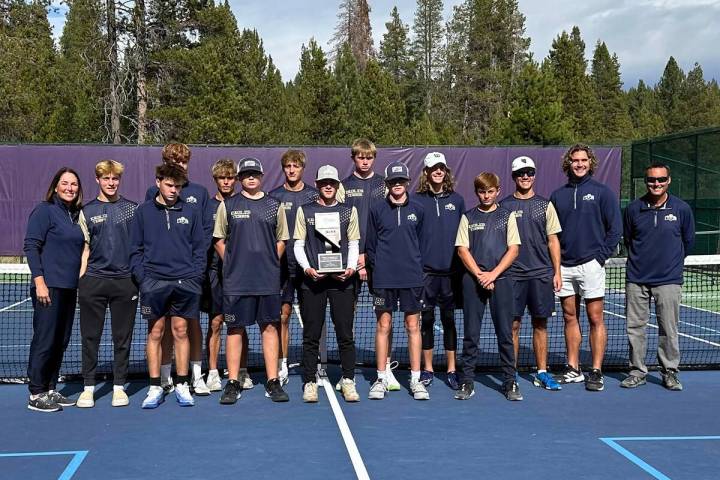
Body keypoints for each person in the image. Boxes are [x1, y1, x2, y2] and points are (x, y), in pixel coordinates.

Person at [213, 158, 290, 404]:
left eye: (254, 174)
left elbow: (282, 240)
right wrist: (234, 263)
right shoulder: (229, 205)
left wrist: (268, 261)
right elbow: (218, 239)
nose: (251, 178)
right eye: (246, 175)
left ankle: (272, 381)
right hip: (237, 281)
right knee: (235, 329)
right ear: (240, 178)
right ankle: (233, 381)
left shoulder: (274, 205)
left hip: (267, 280)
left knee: (269, 327)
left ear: (262, 175)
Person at [130, 163, 206, 408]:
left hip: (186, 282)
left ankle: (182, 384)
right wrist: (144, 280)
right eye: (169, 185)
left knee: (181, 331)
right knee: (155, 332)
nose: (174, 190)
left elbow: (199, 248)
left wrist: (194, 277)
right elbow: (135, 250)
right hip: (154, 283)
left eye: (178, 186)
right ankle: (155, 387)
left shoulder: (192, 212)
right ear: (158, 182)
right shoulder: (142, 212)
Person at [550, 144, 622, 391]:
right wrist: (557, 266)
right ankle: (573, 368)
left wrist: (599, 258)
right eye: (574, 160)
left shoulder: (603, 193)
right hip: (565, 268)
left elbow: (615, 230)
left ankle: (596, 370)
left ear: (590, 162)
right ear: (567, 163)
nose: (579, 164)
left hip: (591, 266)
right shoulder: (557, 195)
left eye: (583, 160)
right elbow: (553, 235)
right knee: (570, 317)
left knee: (595, 318)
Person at [145, 143, 213, 396]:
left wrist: (193, 268)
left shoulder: (199, 192)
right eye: (174, 161)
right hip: (160, 278)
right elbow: (150, 233)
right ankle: (164, 377)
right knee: (160, 328)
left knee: (189, 325)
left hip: (190, 276)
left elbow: (204, 232)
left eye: (183, 161)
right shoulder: (153, 192)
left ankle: (195, 376)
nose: (178, 165)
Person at [621, 162, 695, 390]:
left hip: (669, 280)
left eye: (661, 179)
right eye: (652, 180)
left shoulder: (681, 209)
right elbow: (629, 239)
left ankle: (670, 372)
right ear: (646, 182)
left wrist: (670, 265)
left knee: (669, 329)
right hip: (637, 279)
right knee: (635, 328)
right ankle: (637, 371)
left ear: (668, 181)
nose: (657, 184)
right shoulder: (634, 209)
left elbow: (688, 241)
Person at [293, 165, 360, 403]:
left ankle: (349, 380)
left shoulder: (348, 211)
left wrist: (351, 268)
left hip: (342, 281)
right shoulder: (305, 211)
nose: (328, 186)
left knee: (345, 333)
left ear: (337, 184)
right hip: (313, 282)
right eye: (324, 182)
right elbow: (298, 245)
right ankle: (310, 381)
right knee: (311, 334)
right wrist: (307, 269)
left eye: (332, 182)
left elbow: (353, 244)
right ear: (318, 184)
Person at [337, 139, 400, 390]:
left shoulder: (385, 185)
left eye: (369, 157)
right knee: (346, 318)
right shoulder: (343, 186)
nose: (365, 161)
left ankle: (386, 370)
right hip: (350, 261)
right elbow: (340, 225)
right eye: (360, 157)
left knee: (384, 317)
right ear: (353, 158)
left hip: (379, 262)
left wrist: (370, 256)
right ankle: (347, 372)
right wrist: (357, 257)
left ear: (374, 159)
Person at [76, 160, 138, 408]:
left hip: (125, 283)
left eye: (115, 179)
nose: (111, 183)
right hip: (94, 283)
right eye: (106, 178)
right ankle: (88, 388)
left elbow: (137, 247)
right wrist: (82, 281)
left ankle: (119, 386)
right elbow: (84, 249)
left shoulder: (132, 209)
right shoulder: (86, 211)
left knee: (122, 338)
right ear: (98, 180)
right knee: (90, 337)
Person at [454, 172, 521, 401]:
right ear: (476, 192)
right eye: (482, 191)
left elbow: (513, 249)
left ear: (498, 191)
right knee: (471, 335)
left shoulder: (507, 216)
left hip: (501, 281)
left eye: (490, 191)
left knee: (505, 333)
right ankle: (467, 382)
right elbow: (462, 250)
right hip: (473, 282)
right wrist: (480, 275)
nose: (486, 195)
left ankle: (510, 382)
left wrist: (493, 274)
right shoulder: (468, 217)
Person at [366, 161, 429, 401]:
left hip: (411, 278)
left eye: (401, 181)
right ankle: (381, 378)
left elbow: (422, 243)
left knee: (413, 326)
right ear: (387, 184)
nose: (397, 185)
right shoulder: (377, 210)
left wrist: (415, 267)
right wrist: (379, 268)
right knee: (384, 326)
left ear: (407, 183)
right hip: (384, 278)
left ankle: (415, 379)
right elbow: (370, 245)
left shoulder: (419, 209)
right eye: (393, 182)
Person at [24, 168, 85, 412]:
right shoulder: (44, 211)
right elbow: (31, 246)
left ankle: (50, 388)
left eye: (74, 184)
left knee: (61, 339)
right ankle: (36, 393)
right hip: (48, 288)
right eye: (65, 183)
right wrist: (40, 281)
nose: (70, 188)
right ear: (56, 186)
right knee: (45, 339)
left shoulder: (75, 215)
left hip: (69, 288)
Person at [499, 156, 563, 391]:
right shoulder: (504, 206)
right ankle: (511, 374)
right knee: (512, 326)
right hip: (512, 276)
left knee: (540, 324)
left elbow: (553, 240)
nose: (525, 177)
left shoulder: (545, 205)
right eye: (520, 173)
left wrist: (556, 272)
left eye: (529, 172)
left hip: (541, 275)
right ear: (514, 177)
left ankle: (542, 372)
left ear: (534, 175)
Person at [413, 152, 465, 390]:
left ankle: (452, 369)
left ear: (446, 171)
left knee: (449, 320)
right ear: (426, 172)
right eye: (434, 168)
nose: (438, 171)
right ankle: (428, 369)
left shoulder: (458, 200)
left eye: (442, 168)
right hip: (425, 274)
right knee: (426, 320)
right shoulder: (416, 201)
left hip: (452, 274)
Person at [202, 159, 253, 392]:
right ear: (215, 180)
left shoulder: (244, 204)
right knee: (216, 322)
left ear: (236, 179)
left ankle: (242, 371)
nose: (226, 181)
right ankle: (212, 372)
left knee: (239, 324)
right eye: (222, 177)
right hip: (214, 272)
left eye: (230, 177)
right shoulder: (207, 207)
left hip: (242, 274)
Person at [270, 150, 318, 386]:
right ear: (283, 169)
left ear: (302, 168)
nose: (291, 170)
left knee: (312, 318)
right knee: (283, 316)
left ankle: (314, 365)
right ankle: (282, 364)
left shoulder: (314, 195)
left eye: (296, 166)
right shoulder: (274, 197)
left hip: (309, 268)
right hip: (282, 268)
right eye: (288, 166)